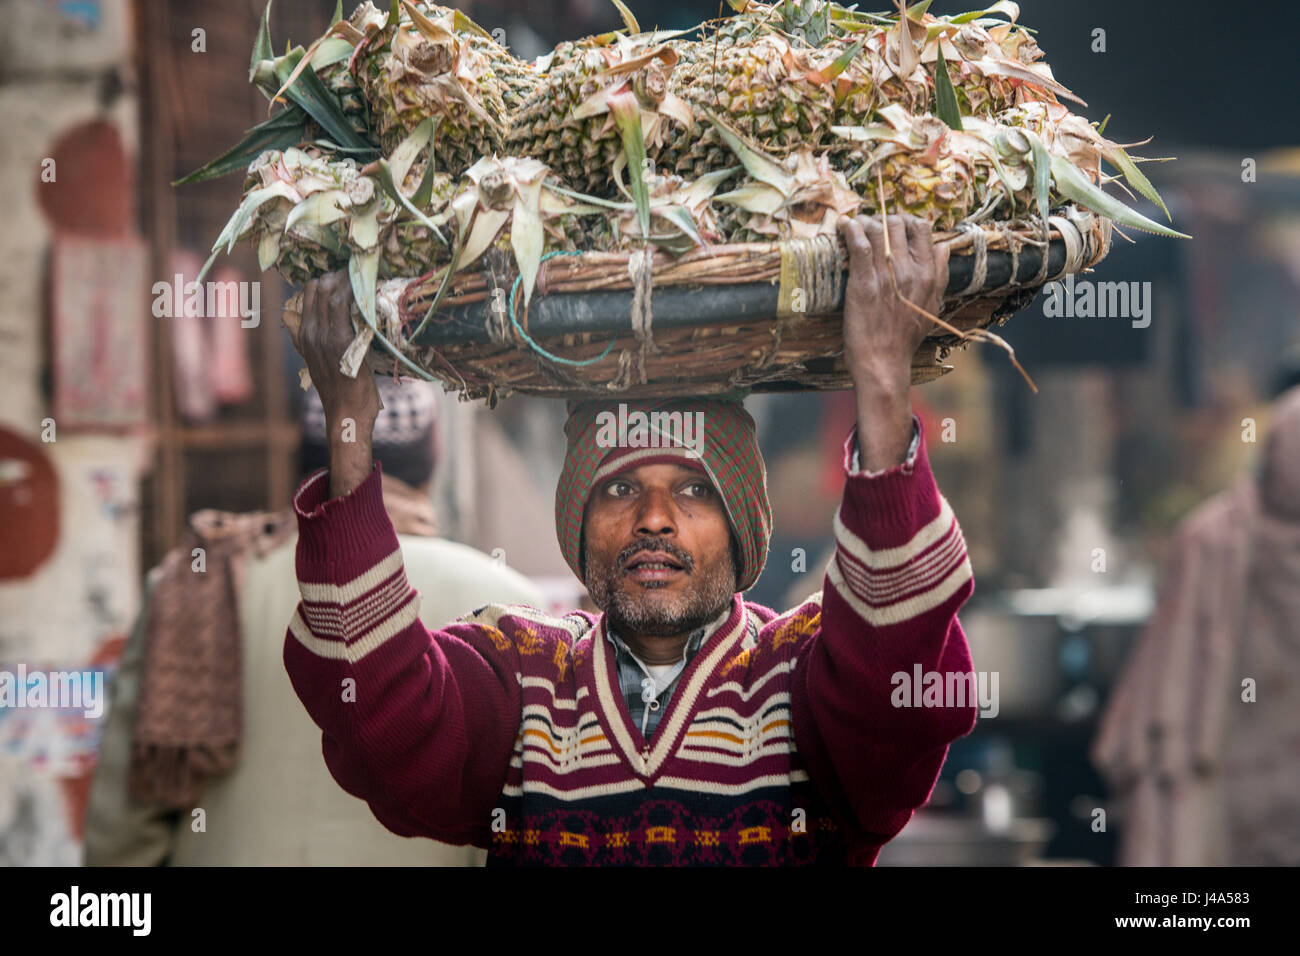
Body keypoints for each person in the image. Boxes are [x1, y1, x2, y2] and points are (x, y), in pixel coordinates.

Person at [284, 213, 976, 866]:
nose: (653, 517)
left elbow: (894, 681)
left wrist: (884, 382)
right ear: (577, 527)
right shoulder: (520, 678)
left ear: (744, 530)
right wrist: (348, 422)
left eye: (694, 490)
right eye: (618, 489)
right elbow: (381, 720)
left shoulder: (796, 680)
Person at [83, 379, 544, 866]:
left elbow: (126, 827)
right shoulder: (512, 609)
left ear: (304, 463)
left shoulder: (195, 584)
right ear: (431, 469)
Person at [1092, 384, 1300, 866]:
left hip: (1226, 770)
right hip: (1231, 774)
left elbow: (1160, 678)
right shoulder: (1210, 539)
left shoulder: (1211, 535)